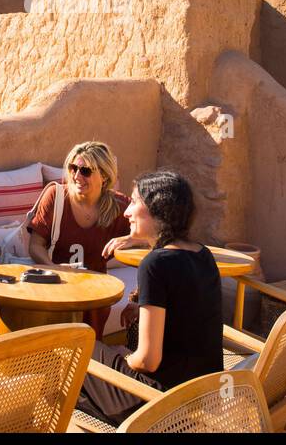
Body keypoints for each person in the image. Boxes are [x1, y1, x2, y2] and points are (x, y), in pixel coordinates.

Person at [77, 170, 222, 423]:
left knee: (77, 348)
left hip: (158, 406)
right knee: (88, 377)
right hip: (199, 396)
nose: (126, 212)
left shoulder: (155, 264)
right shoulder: (203, 254)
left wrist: (124, 357)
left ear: (158, 209)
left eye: (134, 202)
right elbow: (184, 314)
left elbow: (148, 360)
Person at [27, 141, 134, 335]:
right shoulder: (56, 196)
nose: (77, 176)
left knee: (86, 353)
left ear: (103, 175)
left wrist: (133, 239)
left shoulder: (120, 206)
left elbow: (152, 239)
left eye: (85, 171)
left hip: (93, 298)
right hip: (55, 289)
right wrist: (53, 268)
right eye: (73, 168)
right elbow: (35, 245)